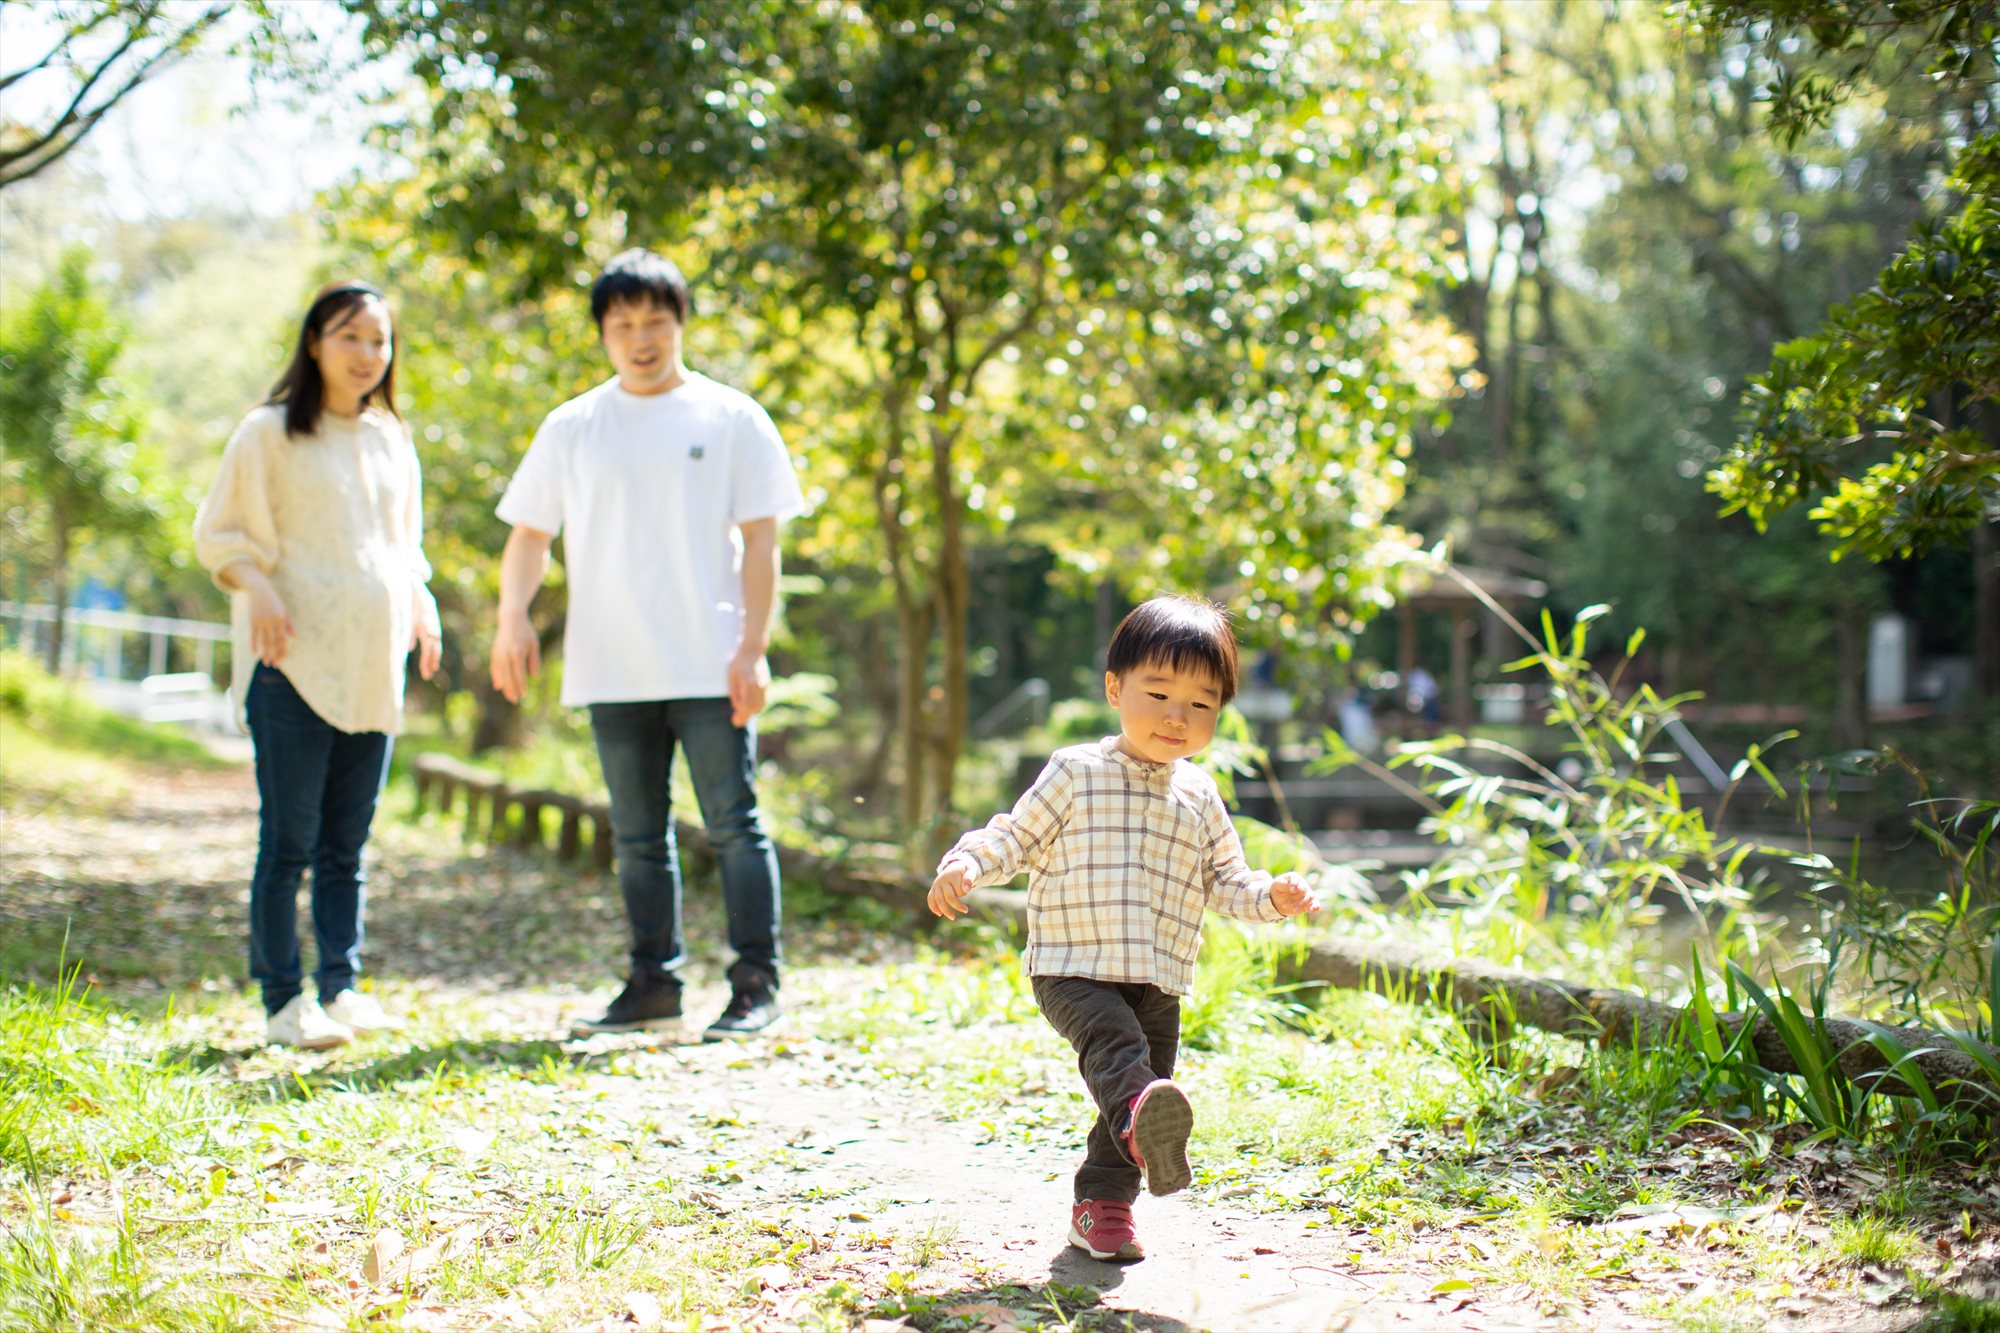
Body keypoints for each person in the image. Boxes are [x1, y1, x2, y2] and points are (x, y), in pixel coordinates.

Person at [928, 595, 1320, 1263]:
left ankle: (1104, 1206)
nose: (1177, 715)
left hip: (1159, 977)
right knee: (1121, 1059)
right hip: (1073, 965)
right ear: (1115, 688)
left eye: (1200, 703)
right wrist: (967, 861)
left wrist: (1274, 895)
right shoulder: (1077, 770)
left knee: (1142, 1087)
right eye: (1160, 692)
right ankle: (1137, 1130)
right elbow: (1017, 838)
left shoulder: (1198, 795)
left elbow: (1227, 882)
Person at [490, 249, 804, 1042]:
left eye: (655, 321)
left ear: (679, 323)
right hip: (611, 663)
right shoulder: (572, 426)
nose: (640, 338)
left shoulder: (731, 417)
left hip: (711, 659)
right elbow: (530, 534)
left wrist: (753, 646)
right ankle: (651, 984)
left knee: (734, 821)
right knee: (636, 835)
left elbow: (762, 541)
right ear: (603, 332)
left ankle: (754, 984)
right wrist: (512, 617)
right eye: (623, 323)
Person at [194, 281, 441, 1050]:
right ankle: (283, 1001)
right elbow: (220, 533)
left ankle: (343, 985)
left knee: (347, 844)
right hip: (291, 665)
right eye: (350, 336)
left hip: (373, 664)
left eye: (379, 340)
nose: (367, 354)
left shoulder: (391, 438)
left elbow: (406, 551)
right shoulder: (267, 433)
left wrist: (422, 608)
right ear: (313, 342)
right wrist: (258, 585)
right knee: (289, 842)